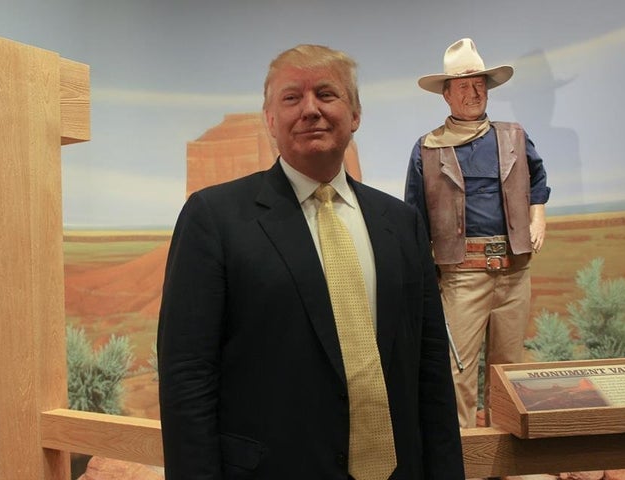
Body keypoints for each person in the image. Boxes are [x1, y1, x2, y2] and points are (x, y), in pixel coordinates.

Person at [158, 44, 464, 480]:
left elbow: (430, 369)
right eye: (291, 98)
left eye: (326, 93)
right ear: (269, 119)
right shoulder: (214, 218)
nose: (310, 110)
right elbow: (187, 376)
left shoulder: (401, 223)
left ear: (355, 114)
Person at [404, 38, 551, 428]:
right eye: (464, 86)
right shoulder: (428, 149)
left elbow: (537, 179)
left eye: (479, 85)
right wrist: (425, 274)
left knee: (509, 373)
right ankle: (464, 461)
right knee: (458, 373)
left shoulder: (513, 136)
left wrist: (539, 217)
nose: (473, 93)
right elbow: (414, 217)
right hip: (461, 276)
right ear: (447, 95)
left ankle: (508, 460)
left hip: (514, 270)